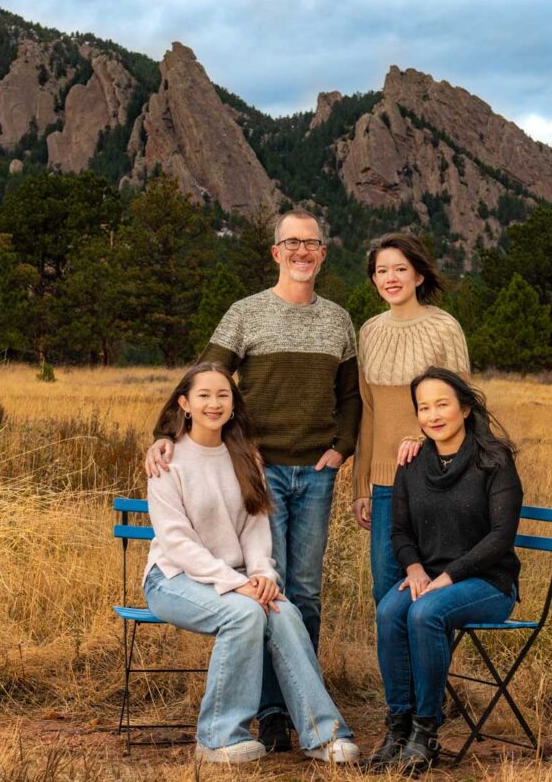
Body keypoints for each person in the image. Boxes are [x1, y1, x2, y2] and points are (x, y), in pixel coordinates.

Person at [144, 208, 362, 752]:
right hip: (257, 465)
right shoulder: (246, 313)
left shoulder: (338, 320)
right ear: (275, 252)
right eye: (291, 243)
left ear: (323, 252)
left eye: (311, 243)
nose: (301, 252)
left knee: (302, 594)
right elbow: (204, 381)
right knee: (271, 589)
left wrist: (343, 449)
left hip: (314, 470)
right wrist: (165, 433)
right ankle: (267, 716)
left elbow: (350, 396)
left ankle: (295, 707)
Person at [142, 363, 358, 764]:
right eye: (204, 395)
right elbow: (176, 542)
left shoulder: (245, 457)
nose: (214, 403)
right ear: (184, 403)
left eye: (223, 395)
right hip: (173, 580)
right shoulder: (168, 460)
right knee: (244, 615)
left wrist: (261, 575)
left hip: (237, 580)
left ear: (233, 404)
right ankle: (218, 738)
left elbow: (257, 530)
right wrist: (236, 583)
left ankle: (324, 734)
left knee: (284, 611)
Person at [369, 367, 523, 773]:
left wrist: (447, 577)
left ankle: (426, 732)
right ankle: (398, 728)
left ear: (465, 408)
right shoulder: (413, 461)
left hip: (487, 582)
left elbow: (500, 538)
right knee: (388, 611)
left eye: (442, 404)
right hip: (430, 577)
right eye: (424, 407)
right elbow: (400, 531)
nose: (433, 415)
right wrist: (415, 569)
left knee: (425, 612)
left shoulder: (494, 460)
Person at [352, 233, 469, 604]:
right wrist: (361, 486)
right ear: (373, 279)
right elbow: (368, 411)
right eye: (382, 270)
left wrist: (426, 441)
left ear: (419, 275)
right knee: (385, 594)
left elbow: (464, 406)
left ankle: (428, 666)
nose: (391, 277)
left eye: (401, 268)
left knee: (431, 597)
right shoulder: (369, 332)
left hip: (438, 480)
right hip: (386, 485)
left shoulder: (444, 327)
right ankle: (396, 667)